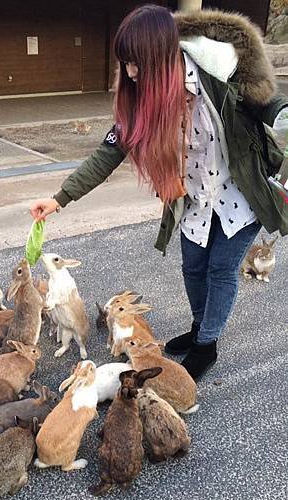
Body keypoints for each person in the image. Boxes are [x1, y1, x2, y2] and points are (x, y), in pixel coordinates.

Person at [29, 5, 288, 381]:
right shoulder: (142, 99)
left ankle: (206, 344)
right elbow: (109, 151)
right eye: (126, 65)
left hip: (242, 194)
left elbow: (269, 106)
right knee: (192, 267)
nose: (131, 74)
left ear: (163, 55)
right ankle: (200, 327)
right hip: (194, 198)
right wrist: (59, 198)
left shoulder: (217, 78)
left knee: (220, 268)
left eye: (137, 64)